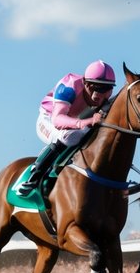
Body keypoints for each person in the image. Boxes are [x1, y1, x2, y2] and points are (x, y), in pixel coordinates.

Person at [15, 60, 117, 197]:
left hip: (73, 120)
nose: (100, 94)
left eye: (107, 89)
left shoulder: (105, 97)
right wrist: (87, 122)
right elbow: (57, 120)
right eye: (96, 88)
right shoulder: (69, 86)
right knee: (68, 136)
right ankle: (34, 176)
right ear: (85, 83)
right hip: (48, 119)